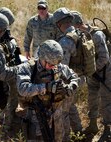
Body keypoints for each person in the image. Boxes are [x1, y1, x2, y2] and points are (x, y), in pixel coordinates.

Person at [17, 39, 80, 141]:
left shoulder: (56, 66)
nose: (53, 67)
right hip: (36, 116)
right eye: (50, 64)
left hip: (56, 115)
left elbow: (74, 77)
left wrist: (71, 87)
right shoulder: (27, 68)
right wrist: (46, 87)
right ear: (42, 57)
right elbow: (22, 88)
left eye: (55, 64)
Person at [71, 11, 111, 142]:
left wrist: (92, 70)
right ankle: (93, 125)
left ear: (78, 24)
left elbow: (104, 58)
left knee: (106, 102)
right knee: (92, 99)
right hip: (93, 73)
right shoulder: (81, 35)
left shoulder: (97, 35)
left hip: (106, 72)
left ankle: (108, 130)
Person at [53, 7, 83, 141]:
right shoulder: (78, 33)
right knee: (71, 106)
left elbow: (62, 68)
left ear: (59, 24)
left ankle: (66, 138)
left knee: (63, 112)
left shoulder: (65, 42)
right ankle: (79, 132)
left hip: (70, 80)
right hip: (80, 77)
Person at [0, 7, 22, 129]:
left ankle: (10, 117)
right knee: (8, 98)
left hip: (6, 70)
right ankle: (6, 124)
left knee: (11, 96)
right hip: (6, 72)